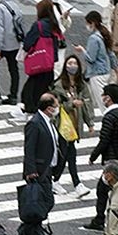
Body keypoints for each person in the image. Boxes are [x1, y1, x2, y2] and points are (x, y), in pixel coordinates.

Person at [84, 84, 118, 232]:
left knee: (103, 190)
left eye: (104, 96)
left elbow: (104, 140)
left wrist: (93, 156)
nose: (102, 98)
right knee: (116, 189)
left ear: (108, 98)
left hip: (111, 161)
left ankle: (100, 219)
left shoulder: (109, 116)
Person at [50, 55, 94, 198]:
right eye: (70, 63)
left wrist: (90, 123)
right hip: (62, 125)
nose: (72, 65)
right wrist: (71, 104)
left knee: (67, 154)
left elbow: (87, 104)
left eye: (75, 63)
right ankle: (76, 184)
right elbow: (55, 107)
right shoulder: (58, 86)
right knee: (68, 154)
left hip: (74, 125)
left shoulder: (81, 86)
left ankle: (55, 180)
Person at [20, 93, 60, 235]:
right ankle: (27, 229)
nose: (57, 108)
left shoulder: (48, 121)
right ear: (49, 108)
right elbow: (29, 149)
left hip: (47, 168)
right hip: (38, 170)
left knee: (41, 202)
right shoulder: (35, 123)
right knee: (44, 201)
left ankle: (35, 233)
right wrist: (31, 170)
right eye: (55, 106)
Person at [20, 0, 64, 117]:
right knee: (45, 89)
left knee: (30, 90)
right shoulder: (54, 25)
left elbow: (28, 43)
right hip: (48, 64)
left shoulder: (38, 25)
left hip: (38, 64)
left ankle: (33, 111)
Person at [75, 11, 114, 116]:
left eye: (87, 23)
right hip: (106, 72)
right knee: (107, 98)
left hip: (96, 73)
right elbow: (111, 54)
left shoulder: (93, 38)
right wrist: (117, 70)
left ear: (92, 23)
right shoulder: (104, 34)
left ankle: (109, 121)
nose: (86, 26)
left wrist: (82, 50)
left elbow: (90, 58)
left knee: (102, 102)